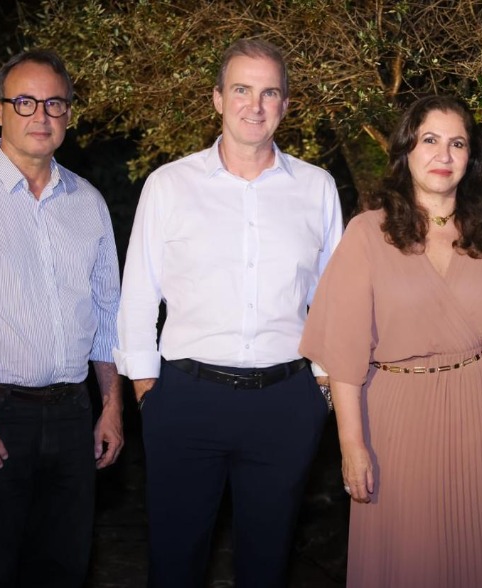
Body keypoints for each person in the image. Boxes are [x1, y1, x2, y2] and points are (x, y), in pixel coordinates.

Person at [114, 38, 342, 587]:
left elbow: (335, 300)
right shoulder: (169, 185)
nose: (254, 105)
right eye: (241, 89)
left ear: (285, 104)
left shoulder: (316, 188)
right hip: (186, 401)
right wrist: (147, 391)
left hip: (285, 403)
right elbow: (139, 293)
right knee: (175, 564)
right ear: (218, 98)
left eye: (269, 93)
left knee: (267, 566)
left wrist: (322, 387)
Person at [300, 95, 482, 587]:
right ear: (406, 149)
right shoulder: (368, 233)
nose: (444, 155)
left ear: (472, 157)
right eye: (430, 140)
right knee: (406, 560)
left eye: (457, 143)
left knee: (481, 551)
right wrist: (352, 444)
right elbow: (343, 352)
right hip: (397, 418)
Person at [0, 50, 123, 587]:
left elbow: (108, 316)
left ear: (68, 113)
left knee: (64, 571)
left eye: (54, 103)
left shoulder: (88, 203)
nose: (41, 115)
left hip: (72, 418)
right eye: (25, 102)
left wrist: (112, 407)